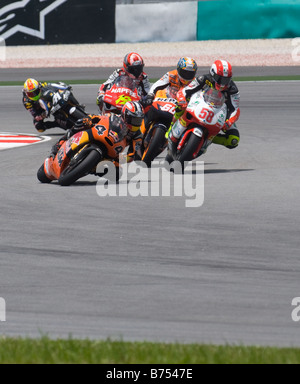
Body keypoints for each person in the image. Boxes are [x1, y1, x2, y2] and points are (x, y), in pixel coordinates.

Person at [167, 60, 241, 155]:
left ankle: (209, 138)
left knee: (234, 140)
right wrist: (182, 100)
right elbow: (185, 91)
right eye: (219, 79)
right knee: (180, 106)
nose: (223, 83)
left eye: (226, 80)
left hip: (219, 113)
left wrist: (229, 121)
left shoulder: (233, 89)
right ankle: (172, 128)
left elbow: (235, 109)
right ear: (212, 74)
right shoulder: (203, 79)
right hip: (198, 104)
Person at [50, 101, 145, 165]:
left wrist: (119, 159)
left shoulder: (138, 136)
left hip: (111, 154)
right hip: (101, 135)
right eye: (133, 119)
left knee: (116, 174)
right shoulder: (114, 117)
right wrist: (89, 119)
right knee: (81, 123)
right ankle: (61, 142)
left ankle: (92, 168)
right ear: (125, 115)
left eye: (138, 120)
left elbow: (132, 155)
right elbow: (98, 117)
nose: (135, 123)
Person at [142, 57, 198, 133]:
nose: (187, 75)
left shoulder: (195, 83)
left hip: (180, 109)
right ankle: (140, 134)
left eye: (190, 73)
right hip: (165, 100)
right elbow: (158, 84)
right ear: (179, 69)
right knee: (147, 105)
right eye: (185, 72)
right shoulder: (172, 74)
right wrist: (150, 95)